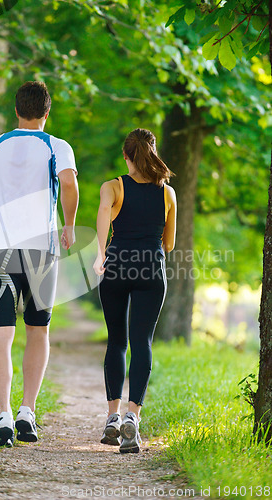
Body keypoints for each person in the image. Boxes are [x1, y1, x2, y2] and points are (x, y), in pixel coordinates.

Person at [0, 81, 79, 447]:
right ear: (47, 113)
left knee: (0, 333)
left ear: (16, 111)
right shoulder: (57, 146)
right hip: (40, 253)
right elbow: (69, 185)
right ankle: (28, 410)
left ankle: (4, 416)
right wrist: (71, 225)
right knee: (37, 330)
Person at [93, 128, 176, 454]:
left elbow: (103, 217)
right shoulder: (168, 193)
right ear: (152, 153)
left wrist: (101, 255)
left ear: (126, 156)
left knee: (117, 340)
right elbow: (168, 244)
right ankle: (132, 417)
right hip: (151, 269)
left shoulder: (112, 187)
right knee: (142, 342)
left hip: (116, 267)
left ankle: (112, 417)